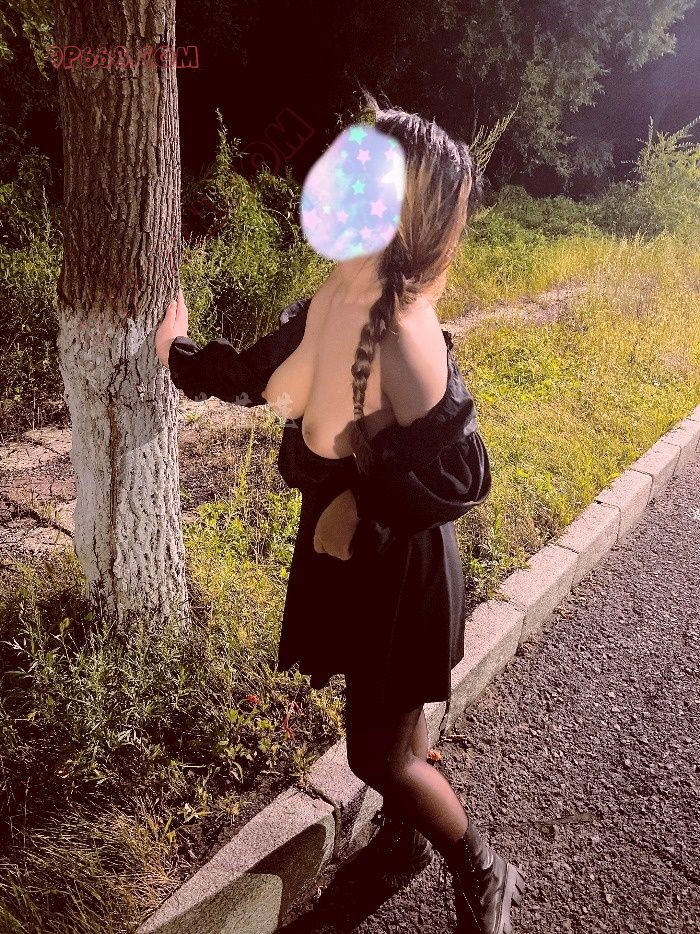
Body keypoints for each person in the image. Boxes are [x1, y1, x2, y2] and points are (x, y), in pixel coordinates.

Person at [155, 98, 526, 934]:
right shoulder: (344, 290)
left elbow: (466, 472)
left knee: (375, 754)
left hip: (400, 564)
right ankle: (406, 838)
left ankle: (483, 868)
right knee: (394, 725)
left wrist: (364, 504)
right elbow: (258, 374)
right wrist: (177, 353)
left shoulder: (401, 330)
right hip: (362, 557)